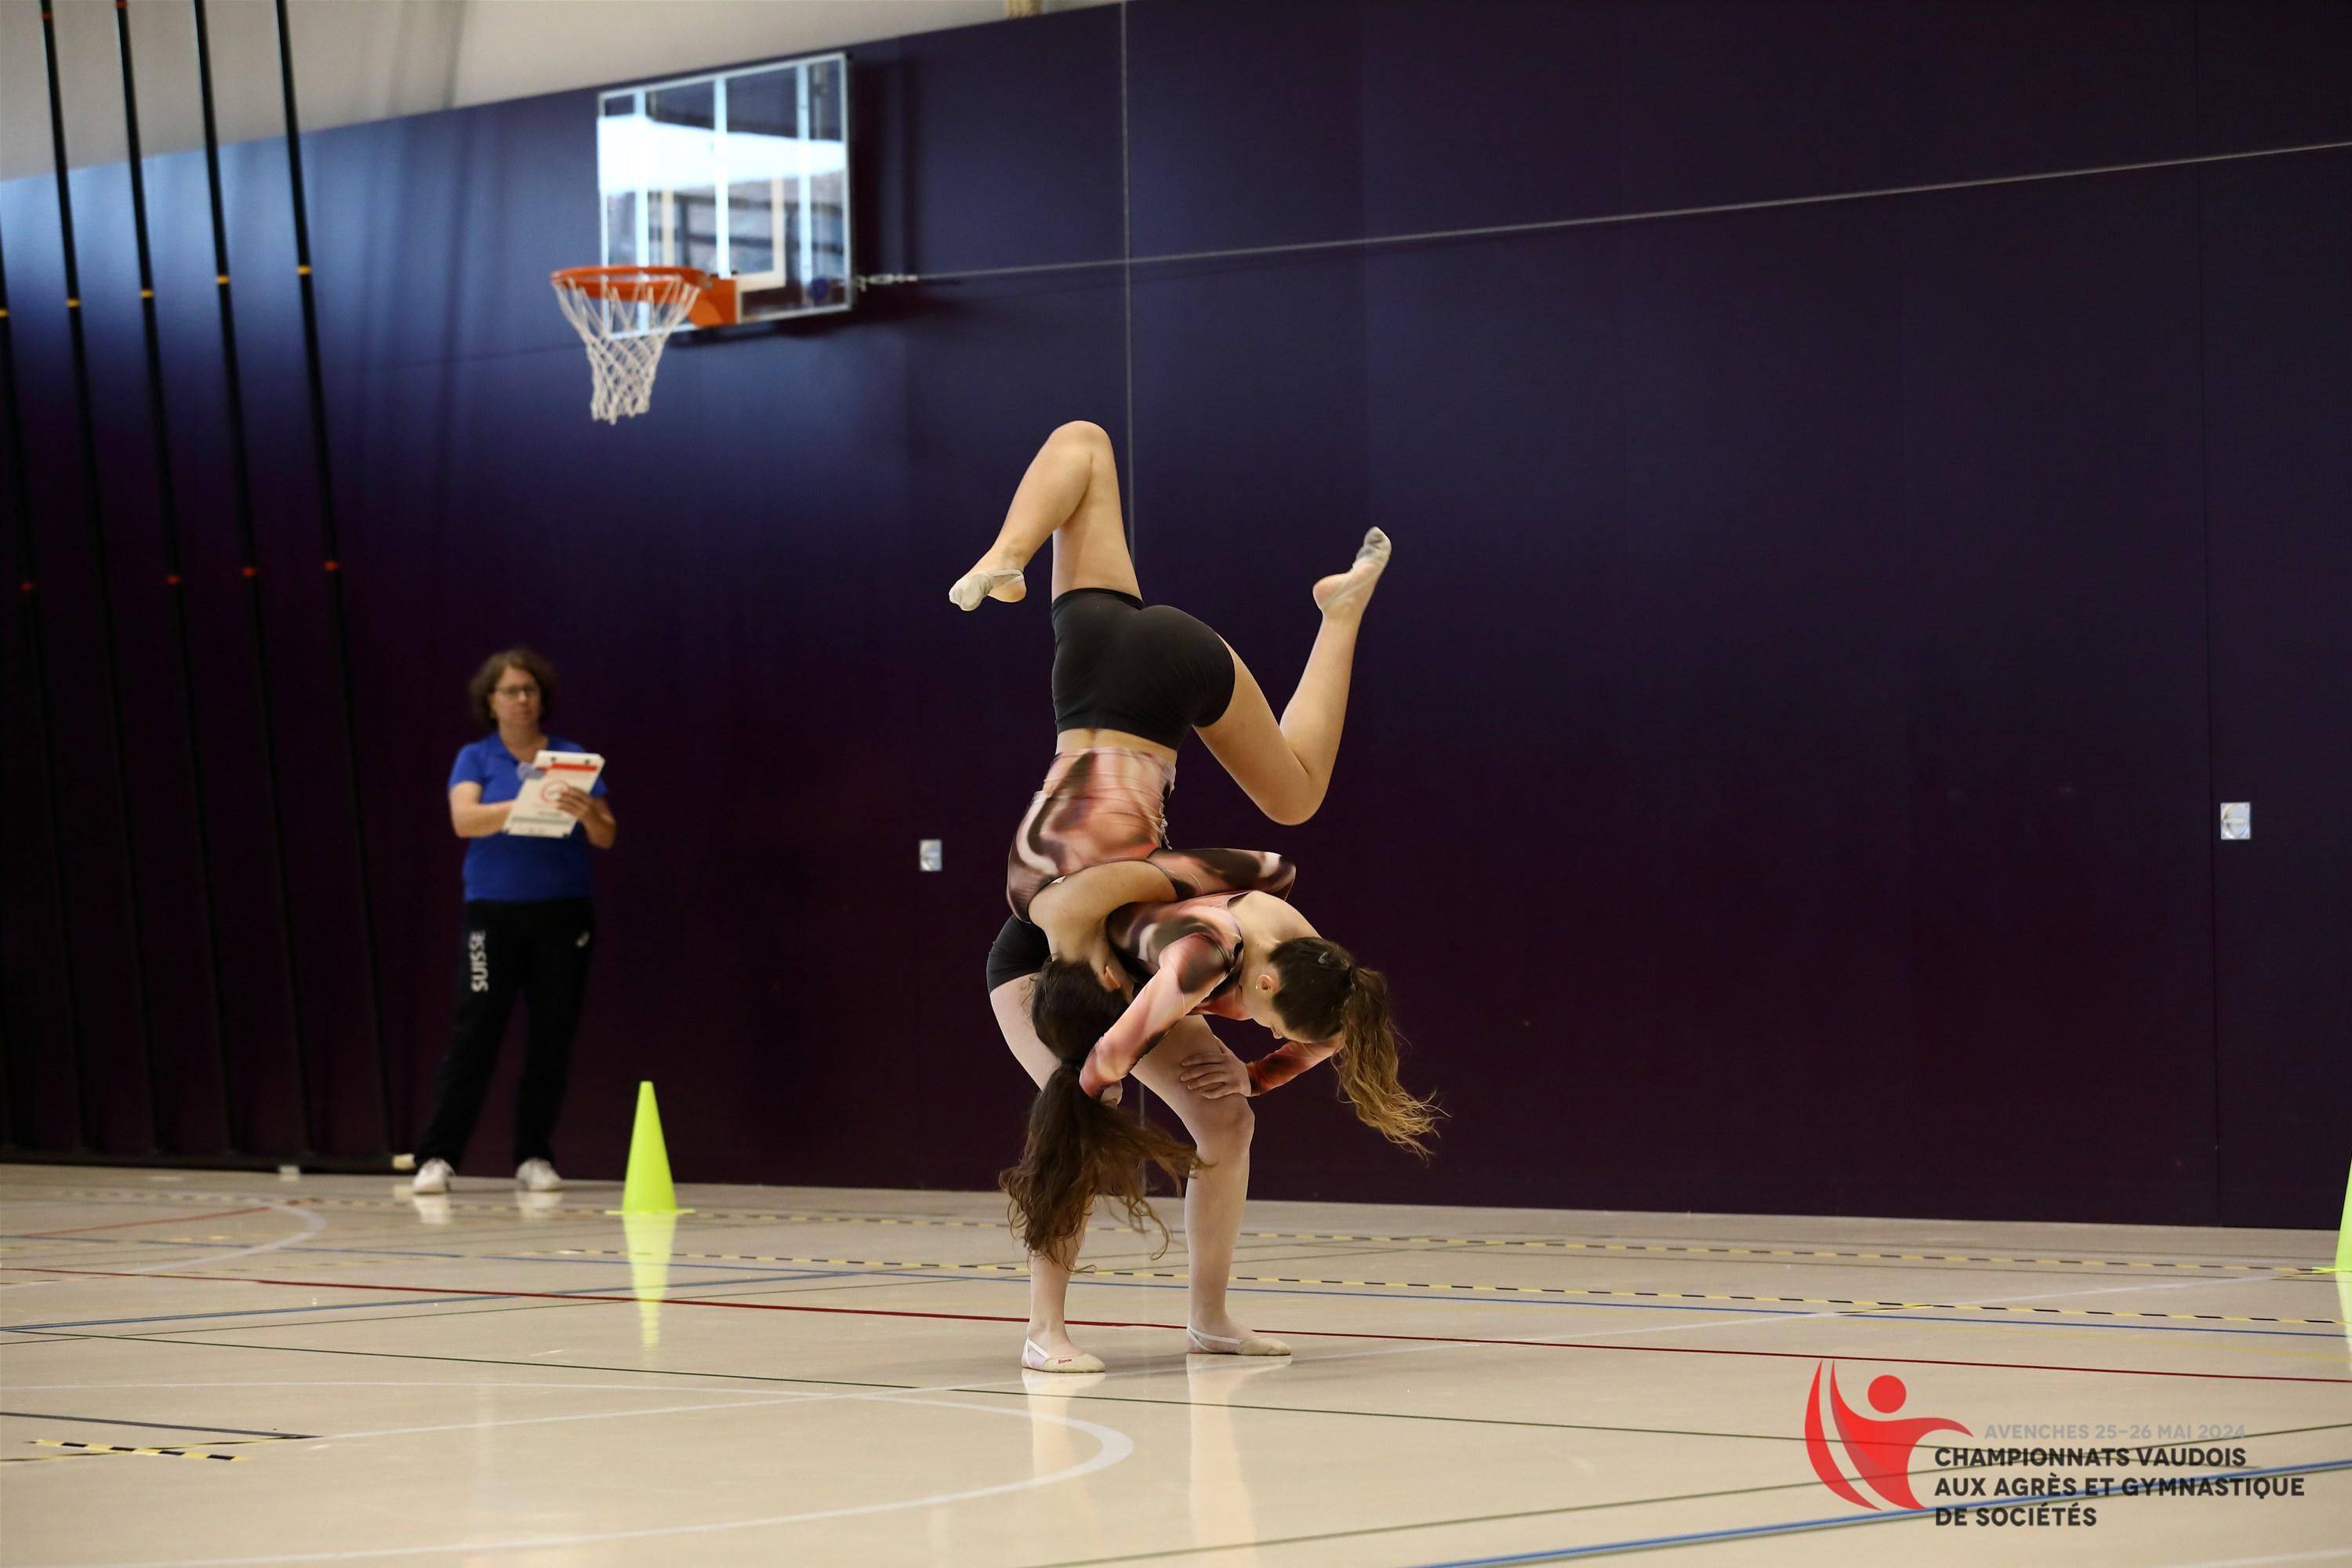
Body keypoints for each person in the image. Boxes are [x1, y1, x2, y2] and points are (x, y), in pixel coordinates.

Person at [954, 419, 1410, 1369]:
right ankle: (1045, 1328)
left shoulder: (1296, 959)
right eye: (1259, 1018)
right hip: (1050, 925)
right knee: (1080, 1111)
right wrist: (1098, 1073)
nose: (1250, 1026)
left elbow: (1306, 993)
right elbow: (1114, 1043)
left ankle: (1208, 1316)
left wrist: (1267, 1068)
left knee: (1087, 442)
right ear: (1266, 979)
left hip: (1120, 678)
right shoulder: (1164, 940)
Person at [410, 648, 615, 1196]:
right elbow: (464, 820)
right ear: (491, 701)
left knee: (552, 1034)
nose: (522, 700)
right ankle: (437, 1156)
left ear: (541, 699)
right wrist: (528, 802)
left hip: (562, 912)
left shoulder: (571, 757)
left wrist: (584, 810)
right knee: (476, 1032)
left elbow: (606, 835)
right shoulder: (476, 758)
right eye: (510, 691)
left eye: (530, 690)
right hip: (494, 914)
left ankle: (533, 1155)